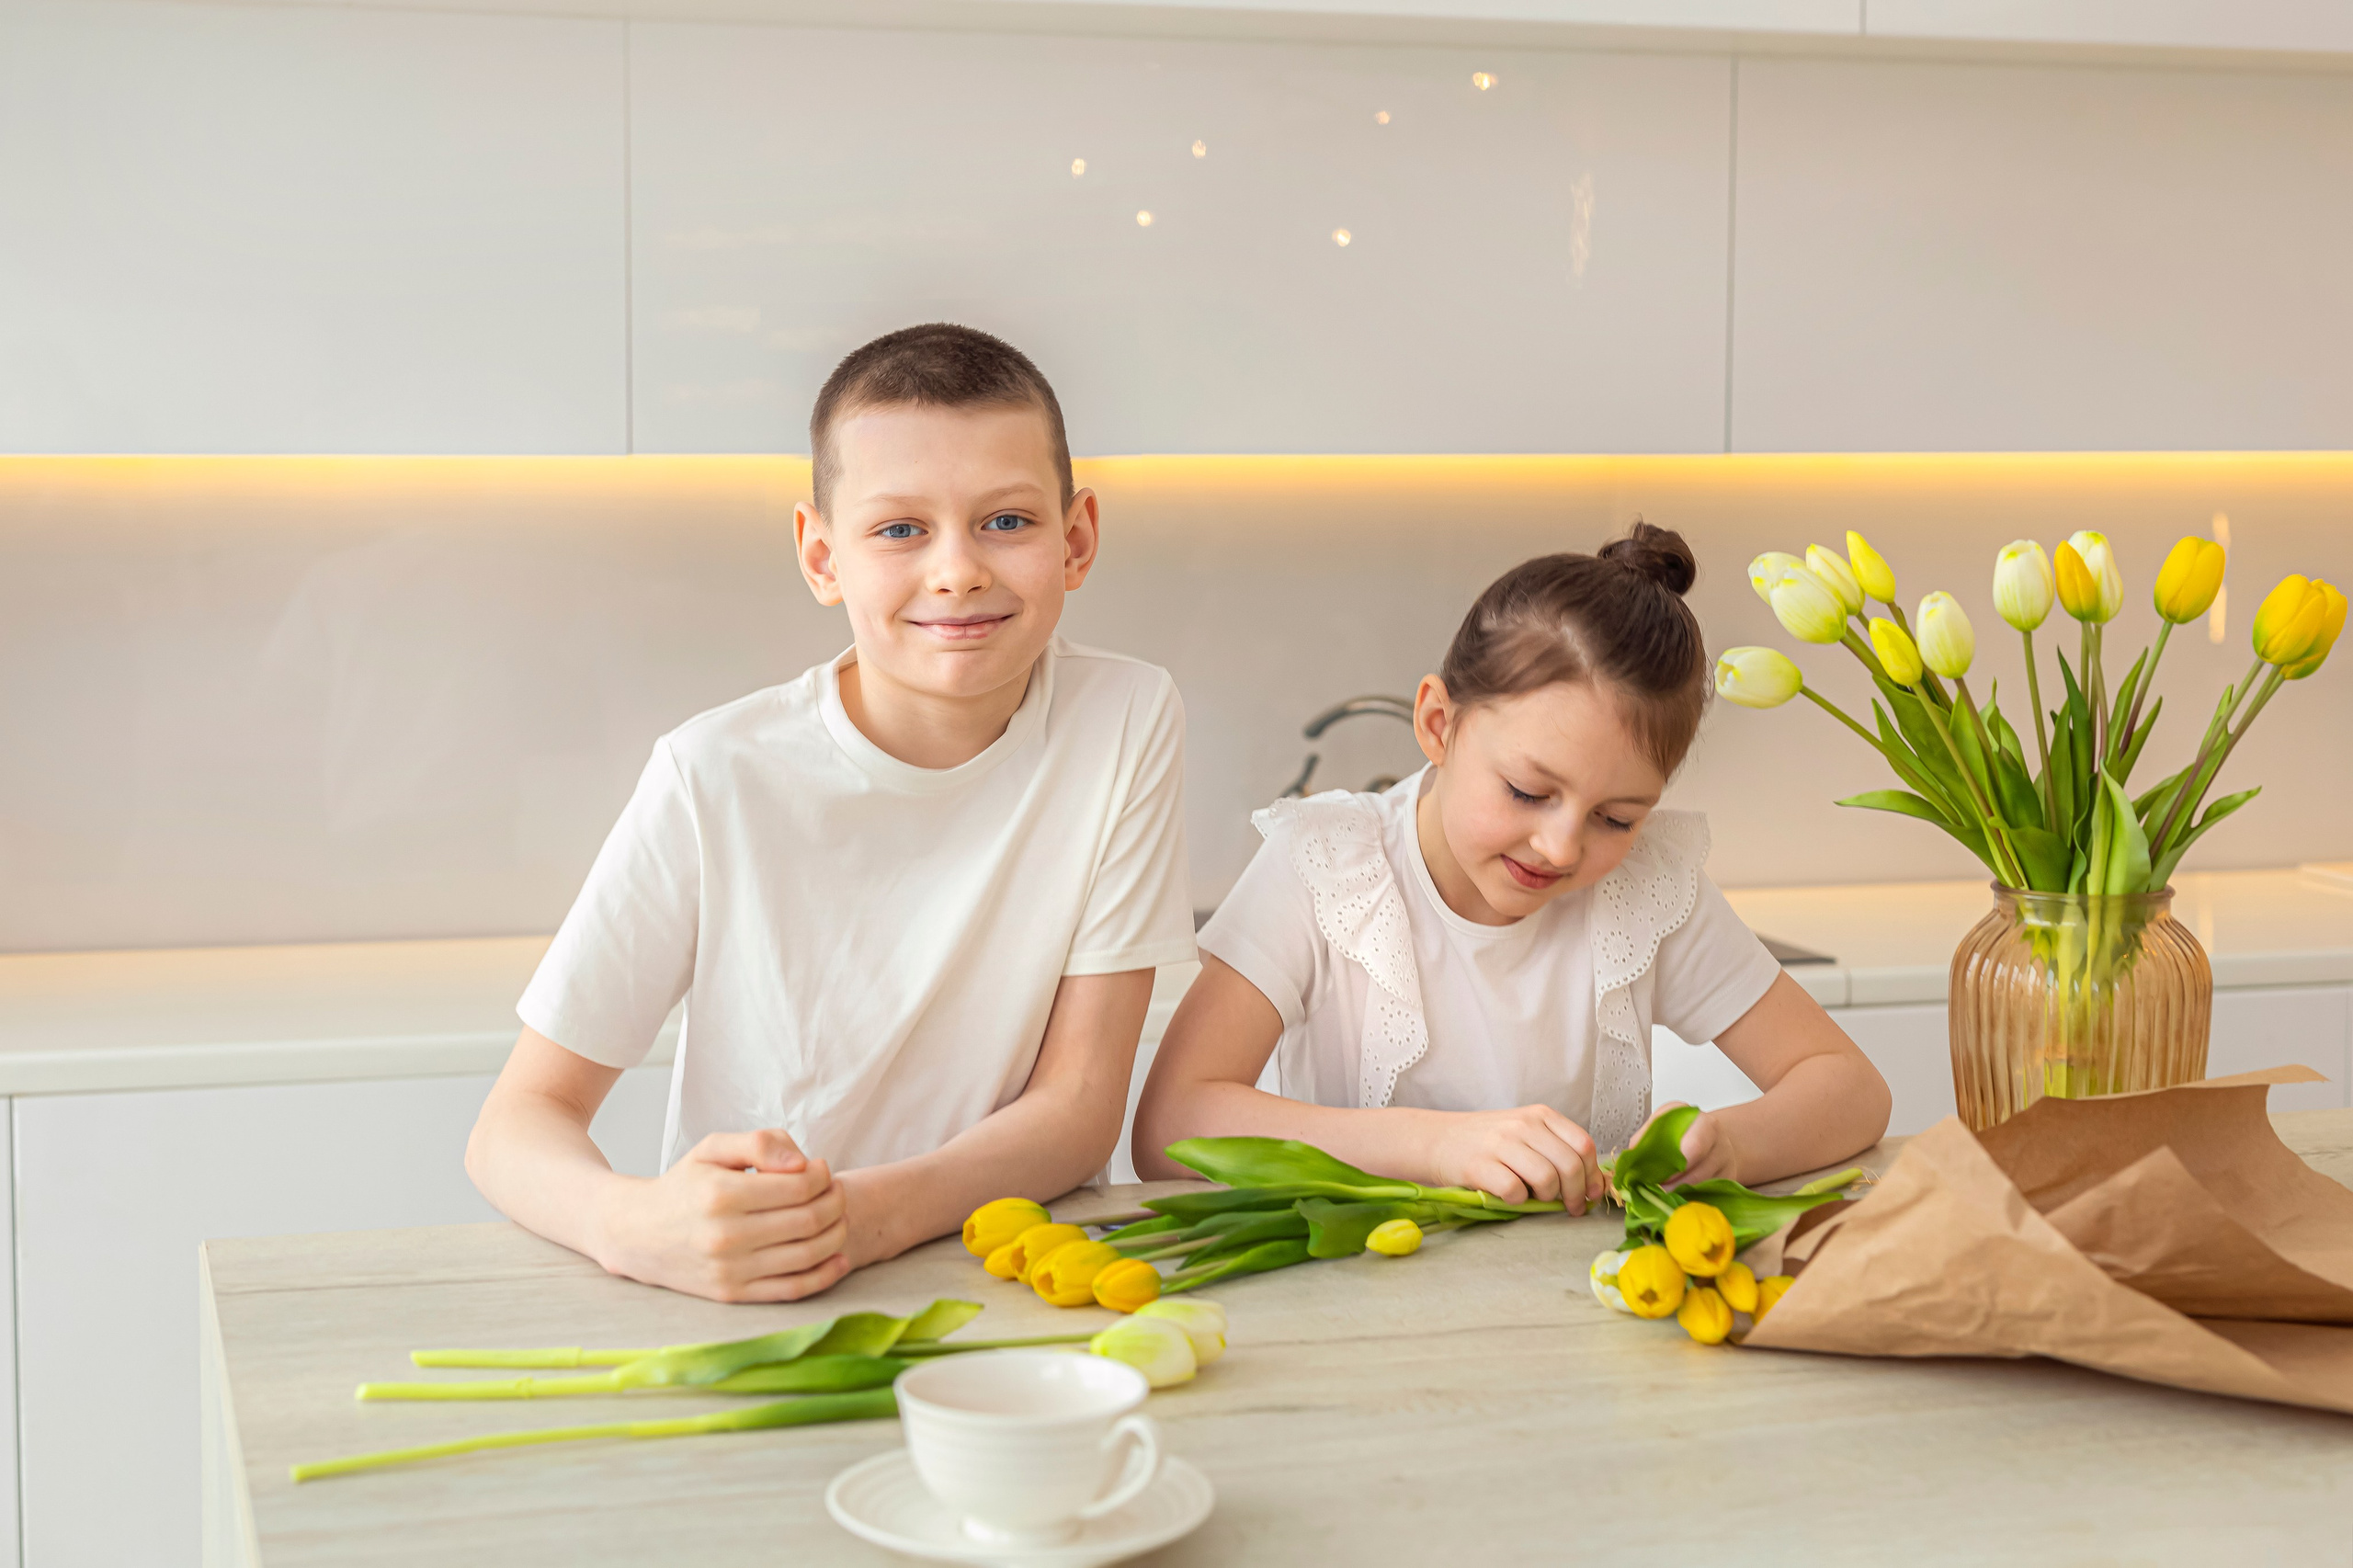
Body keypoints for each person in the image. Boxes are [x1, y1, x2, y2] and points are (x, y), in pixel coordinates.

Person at [468, 324, 1195, 1301]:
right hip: (758, 1285)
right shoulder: (712, 773)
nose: (957, 571)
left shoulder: (1126, 716)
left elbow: (1077, 1105)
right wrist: (634, 1224)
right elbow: (517, 1120)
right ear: (821, 555)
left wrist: (868, 1217)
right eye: (900, 530)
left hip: (1012, 1273)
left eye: (1007, 521)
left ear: (1077, 539)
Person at [1134, 523, 1889, 1209]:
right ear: (1438, 724)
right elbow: (1173, 1127)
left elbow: (1850, 1087)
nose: (1562, 848)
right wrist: (1436, 1147)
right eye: (1528, 791)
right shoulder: (1325, 865)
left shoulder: (1644, 888)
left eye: (1616, 818)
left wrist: (1732, 1144)